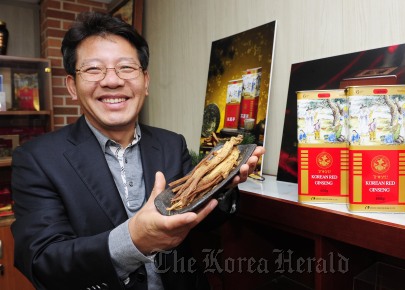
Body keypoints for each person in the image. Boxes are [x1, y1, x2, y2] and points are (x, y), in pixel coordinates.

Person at [10, 11, 264, 290]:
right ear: (72, 86)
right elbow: (41, 261)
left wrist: (224, 183)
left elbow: (198, 218)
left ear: (145, 81)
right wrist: (133, 239)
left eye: (126, 68)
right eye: (94, 69)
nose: (112, 81)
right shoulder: (37, 159)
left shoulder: (171, 144)